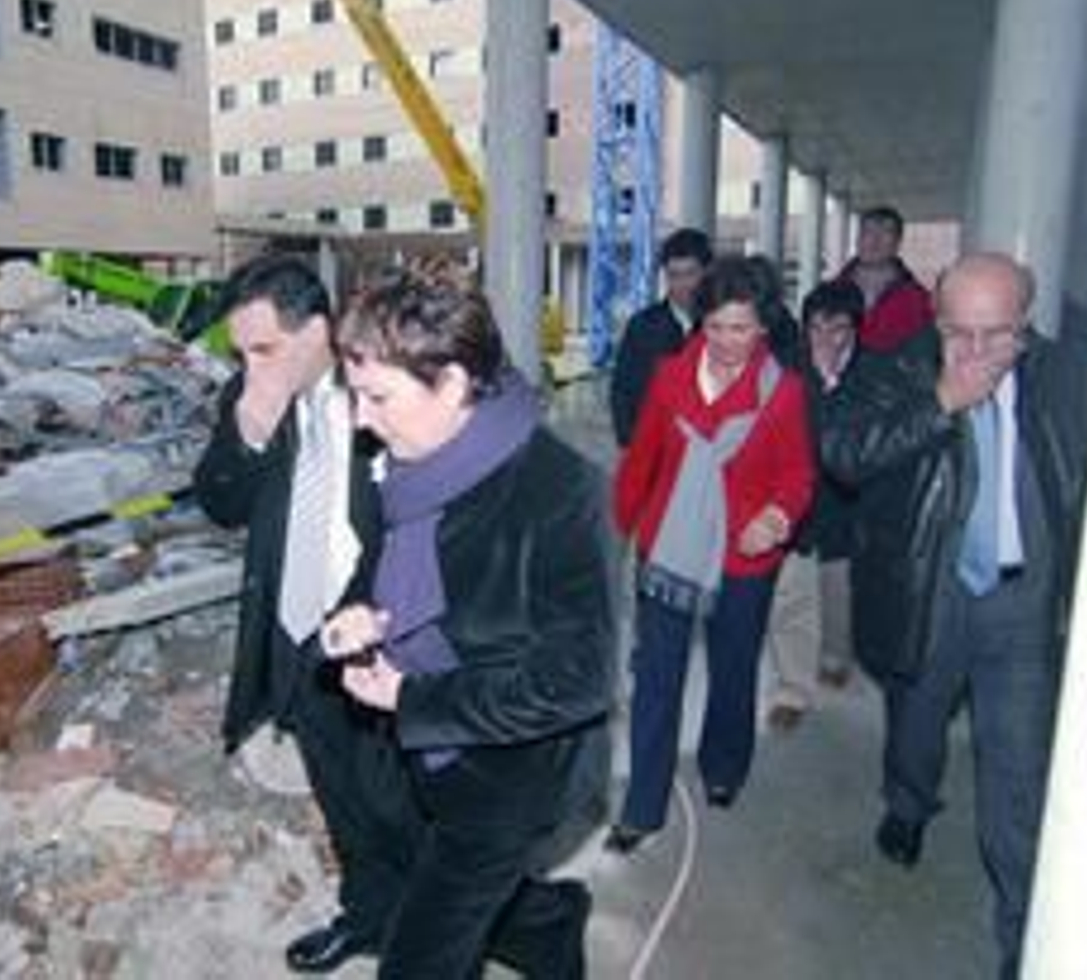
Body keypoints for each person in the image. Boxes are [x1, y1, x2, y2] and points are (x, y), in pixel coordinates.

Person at [321, 263, 616, 979]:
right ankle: (552, 924)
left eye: (376, 397)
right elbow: (398, 562)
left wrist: (412, 700)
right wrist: (360, 611)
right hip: (421, 752)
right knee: (487, 897)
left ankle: (543, 922)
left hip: (508, 775)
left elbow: (580, 680)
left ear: (452, 383)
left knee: (422, 955)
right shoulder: (419, 459)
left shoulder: (560, 491)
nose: (361, 421)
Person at [819, 253, 1084, 979]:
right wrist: (939, 401)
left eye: (994, 336)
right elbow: (842, 452)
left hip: (1022, 605)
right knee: (916, 723)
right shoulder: (894, 371)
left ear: (1024, 330)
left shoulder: (1063, 380)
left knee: (1017, 769)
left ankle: (1020, 936)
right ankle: (907, 803)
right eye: (958, 332)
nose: (974, 352)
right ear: (936, 320)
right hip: (930, 595)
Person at [192, 253, 415, 975]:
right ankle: (369, 917)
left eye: (266, 348)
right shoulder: (258, 393)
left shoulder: (387, 389)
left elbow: (417, 527)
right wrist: (249, 430)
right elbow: (220, 503)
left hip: (377, 636)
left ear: (317, 329)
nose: (254, 364)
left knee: (405, 806)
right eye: (243, 352)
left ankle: (484, 926)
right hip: (296, 638)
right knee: (341, 796)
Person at [605, 256, 815, 852]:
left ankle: (724, 769)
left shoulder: (783, 392)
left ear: (764, 328)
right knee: (655, 678)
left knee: (732, 669)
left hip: (743, 558)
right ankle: (642, 806)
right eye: (717, 327)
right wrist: (620, 533)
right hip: (668, 547)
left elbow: (798, 473)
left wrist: (775, 518)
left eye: (741, 328)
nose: (727, 342)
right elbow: (642, 458)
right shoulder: (670, 376)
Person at [762, 278, 867, 730]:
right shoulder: (785, 372)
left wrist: (830, 384)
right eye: (817, 328)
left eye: (838, 328)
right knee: (792, 601)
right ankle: (792, 688)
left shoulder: (873, 375)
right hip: (797, 511)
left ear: (856, 330)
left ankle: (838, 657)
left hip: (850, 509)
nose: (826, 339)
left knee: (841, 598)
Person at [609, 227, 714, 446]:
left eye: (690, 274)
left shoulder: (723, 327)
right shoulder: (642, 328)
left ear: (707, 272)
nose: (683, 285)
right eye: (674, 275)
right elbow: (622, 393)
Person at [835, 205, 934, 353]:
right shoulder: (832, 293)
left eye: (886, 232)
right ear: (858, 239)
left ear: (898, 242)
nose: (875, 240)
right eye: (869, 231)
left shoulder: (918, 300)